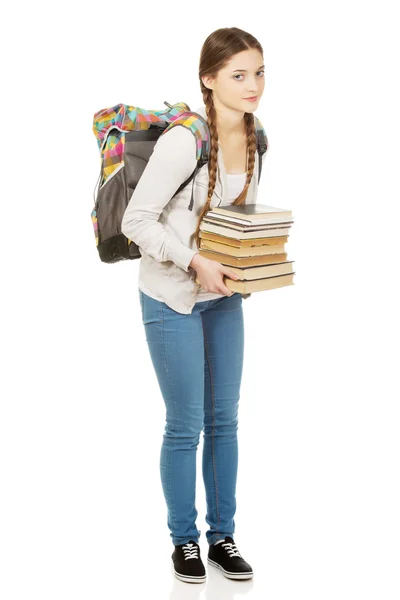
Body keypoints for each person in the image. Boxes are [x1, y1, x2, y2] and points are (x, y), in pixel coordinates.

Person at [121, 26, 266, 583]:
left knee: (224, 421)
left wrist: (252, 260)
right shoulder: (186, 140)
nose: (253, 85)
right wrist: (194, 261)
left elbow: (237, 221)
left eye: (259, 73)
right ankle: (184, 541)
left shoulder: (258, 137)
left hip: (225, 297)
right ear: (209, 80)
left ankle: (222, 537)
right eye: (239, 75)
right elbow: (138, 220)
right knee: (185, 426)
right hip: (172, 296)